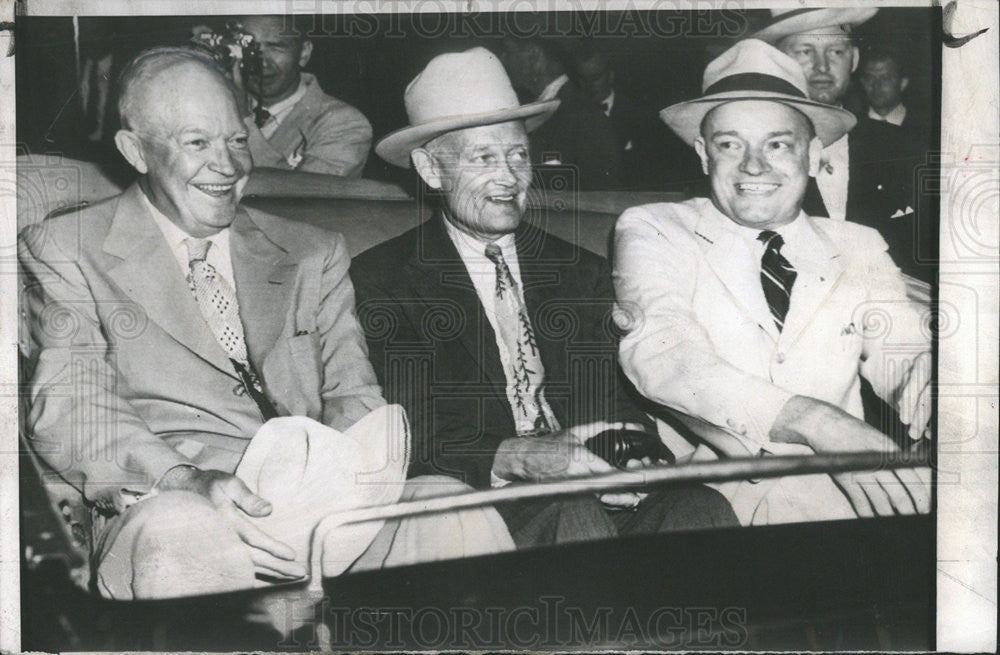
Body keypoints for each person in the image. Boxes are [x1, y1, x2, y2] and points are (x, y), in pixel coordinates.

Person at [18, 47, 513, 608]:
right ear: (135, 150)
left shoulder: (312, 252)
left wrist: (330, 484)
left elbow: (354, 394)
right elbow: (69, 405)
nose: (228, 166)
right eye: (197, 143)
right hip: (177, 502)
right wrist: (185, 479)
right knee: (184, 529)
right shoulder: (68, 248)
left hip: (324, 505)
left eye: (235, 140)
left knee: (452, 510)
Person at [351, 47, 738, 549]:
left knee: (701, 507)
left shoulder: (581, 272)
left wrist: (632, 456)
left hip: (591, 489)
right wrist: (525, 456)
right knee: (572, 516)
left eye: (518, 155)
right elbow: (409, 423)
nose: (509, 177)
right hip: (482, 502)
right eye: (483, 158)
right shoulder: (383, 278)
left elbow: (615, 396)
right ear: (430, 169)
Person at [613, 39, 932, 525]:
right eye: (729, 144)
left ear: (813, 154)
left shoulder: (857, 244)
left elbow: (903, 355)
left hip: (849, 505)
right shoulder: (654, 228)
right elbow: (664, 353)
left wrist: (939, 396)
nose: (754, 165)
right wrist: (815, 421)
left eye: (778, 144)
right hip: (705, 514)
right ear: (703, 154)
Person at [753, 8, 937, 283]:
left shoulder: (906, 149)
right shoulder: (751, 158)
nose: (822, 66)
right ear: (780, 62)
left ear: (854, 60)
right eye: (805, 51)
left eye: (836, 52)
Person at [236, 15, 372, 178]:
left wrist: (241, 116)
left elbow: (305, 198)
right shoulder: (214, 108)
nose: (262, 63)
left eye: (276, 47)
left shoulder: (344, 122)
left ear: (303, 53)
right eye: (247, 46)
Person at [567, 41, 702, 192]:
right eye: (583, 79)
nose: (589, 85)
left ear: (610, 75)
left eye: (595, 77)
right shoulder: (572, 117)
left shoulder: (642, 115)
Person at [499, 37, 623, 191]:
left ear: (534, 56)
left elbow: (601, 195)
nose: (502, 59)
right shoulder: (555, 109)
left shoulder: (583, 116)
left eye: (508, 52)